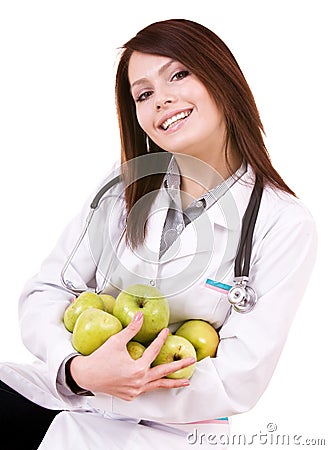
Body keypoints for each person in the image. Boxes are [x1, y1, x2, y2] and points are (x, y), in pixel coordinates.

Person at [0, 18, 317, 449]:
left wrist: (121, 383)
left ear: (221, 76)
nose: (162, 100)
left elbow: (237, 377)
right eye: (144, 94)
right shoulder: (125, 183)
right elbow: (47, 291)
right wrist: (78, 371)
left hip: (172, 430)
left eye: (179, 75)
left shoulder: (283, 224)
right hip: (67, 395)